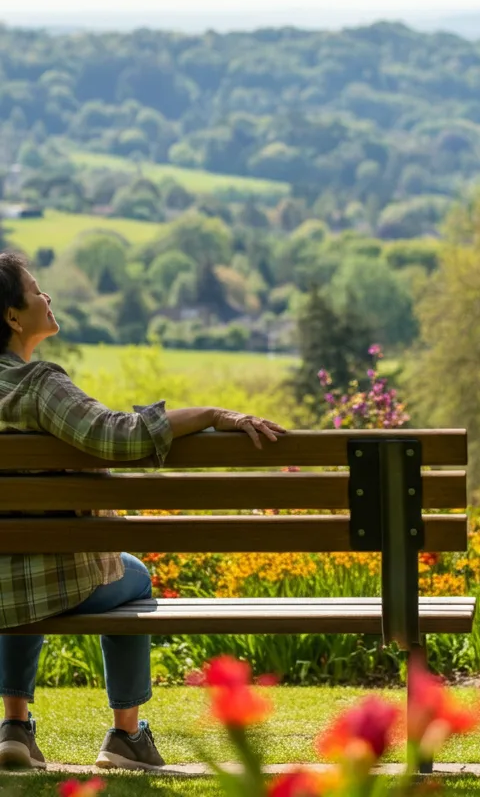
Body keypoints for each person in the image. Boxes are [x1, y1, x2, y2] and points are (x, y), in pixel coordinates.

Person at [0, 251, 287, 771]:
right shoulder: (37, 385)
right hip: (55, 580)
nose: (48, 297)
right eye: (38, 289)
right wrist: (212, 415)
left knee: (20, 568)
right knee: (133, 577)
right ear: (13, 317)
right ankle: (125, 735)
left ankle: (14, 726)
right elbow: (118, 437)